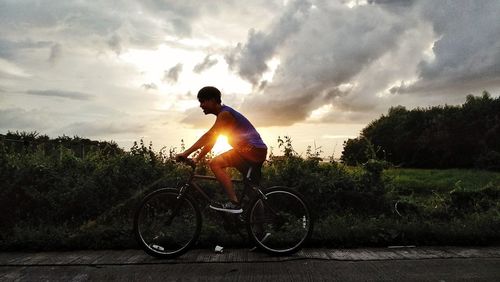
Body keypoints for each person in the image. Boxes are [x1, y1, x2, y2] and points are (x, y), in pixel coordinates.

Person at [176, 86, 267, 214]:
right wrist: (197, 158)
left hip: (252, 150)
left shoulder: (225, 114)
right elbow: (212, 141)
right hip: (253, 151)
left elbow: (209, 135)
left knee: (215, 163)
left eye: (203, 101)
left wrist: (186, 153)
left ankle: (233, 203)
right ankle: (259, 232)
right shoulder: (223, 116)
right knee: (253, 192)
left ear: (213, 100)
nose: (201, 105)